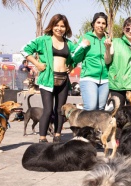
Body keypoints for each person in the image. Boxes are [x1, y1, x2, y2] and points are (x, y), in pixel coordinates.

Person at [21, 14, 75, 143]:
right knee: (48, 109)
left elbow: (76, 56)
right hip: (47, 80)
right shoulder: (43, 40)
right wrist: (37, 64)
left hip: (63, 80)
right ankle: (42, 138)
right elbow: (24, 50)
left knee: (60, 110)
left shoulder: (70, 43)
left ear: (66, 28)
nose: (59, 28)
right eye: (56, 25)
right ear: (52, 26)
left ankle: (57, 136)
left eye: (62, 26)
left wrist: (72, 66)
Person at [104, 17, 131, 108]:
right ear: (123, 29)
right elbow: (107, 61)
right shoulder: (115, 42)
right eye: (127, 28)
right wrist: (107, 48)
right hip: (118, 85)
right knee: (118, 115)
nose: (130, 31)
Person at [72, 12, 110, 111]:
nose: (101, 25)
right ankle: (84, 127)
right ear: (93, 24)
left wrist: (108, 48)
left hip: (105, 79)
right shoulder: (85, 37)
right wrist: (82, 46)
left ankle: (97, 127)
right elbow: (75, 58)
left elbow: (109, 60)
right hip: (89, 78)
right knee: (91, 108)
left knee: (101, 109)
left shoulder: (108, 39)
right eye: (98, 22)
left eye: (103, 23)